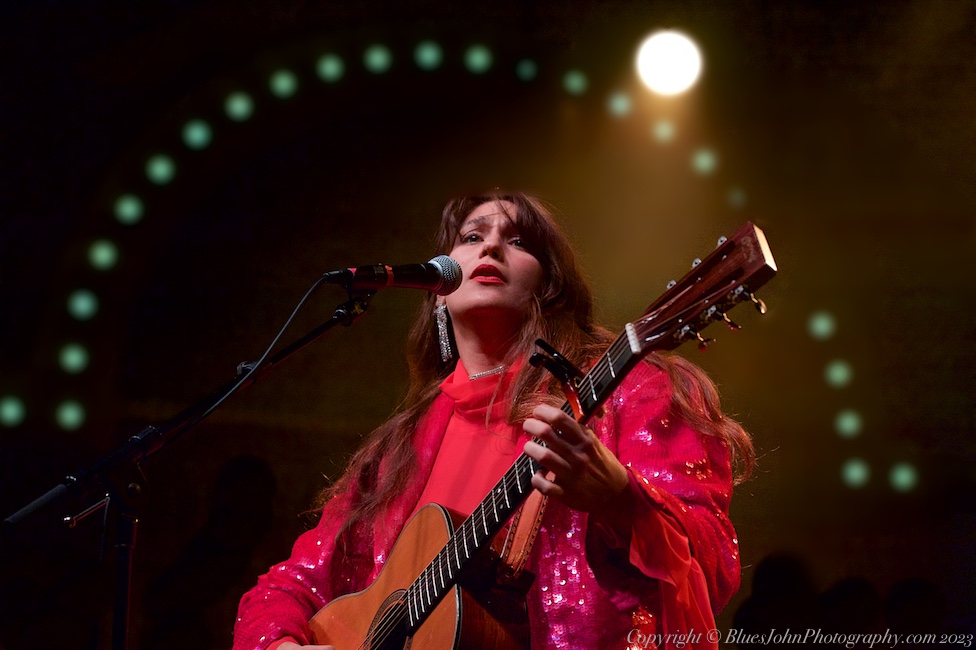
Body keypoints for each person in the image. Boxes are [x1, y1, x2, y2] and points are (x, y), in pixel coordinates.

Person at [232, 192, 754, 650]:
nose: (491, 248)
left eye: (519, 241)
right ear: (438, 291)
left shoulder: (630, 390)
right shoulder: (399, 448)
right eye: (472, 235)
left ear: (549, 287)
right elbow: (290, 585)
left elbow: (712, 561)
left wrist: (624, 501)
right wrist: (279, 645)